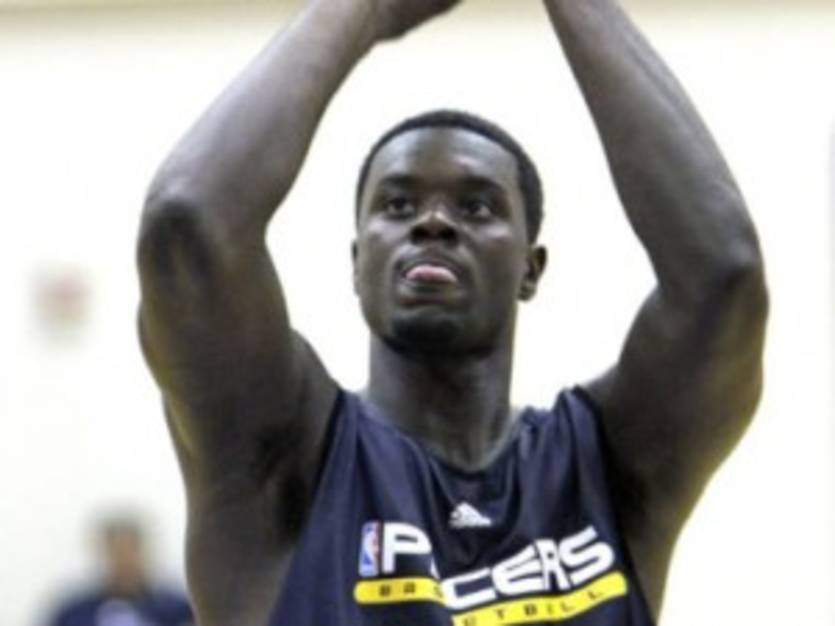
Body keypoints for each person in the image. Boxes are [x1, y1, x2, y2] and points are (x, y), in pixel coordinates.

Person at [136, 0, 768, 624]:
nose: (433, 223)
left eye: (477, 207)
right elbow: (188, 224)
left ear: (530, 268)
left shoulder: (606, 464)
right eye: (398, 205)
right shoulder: (284, 456)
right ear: (357, 263)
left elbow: (723, 277)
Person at [45, 515, 193, 626]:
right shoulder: (74, 614)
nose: (125, 561)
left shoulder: (177, 610)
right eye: (118, 553)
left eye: (130, 551)